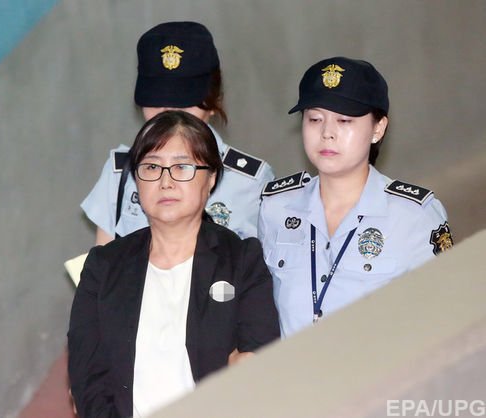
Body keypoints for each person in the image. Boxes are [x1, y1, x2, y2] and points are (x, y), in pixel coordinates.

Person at [68, 111, 280, 418]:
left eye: (182, 167)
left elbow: (256, 364)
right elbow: (87, 379)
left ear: (211, 178)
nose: (165, 182)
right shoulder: (104, 266)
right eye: (152, 167)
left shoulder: (242, 261)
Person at [259, 57, 453, 338]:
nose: (327, 133)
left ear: (378, 128)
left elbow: (443, 318)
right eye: (314, 119)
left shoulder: (414, 216)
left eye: (344, 120)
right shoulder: (275, 209)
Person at [81, 21, 275, 245]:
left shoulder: (251, 181)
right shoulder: (120, 171)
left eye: (183, 100)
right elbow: (103, 259)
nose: (169, 113)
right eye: (157, 98)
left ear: (214, 99)